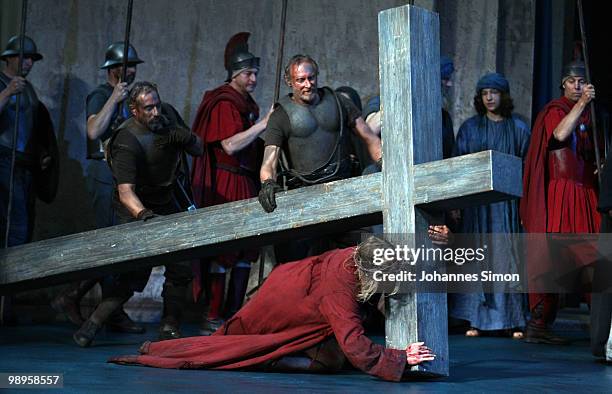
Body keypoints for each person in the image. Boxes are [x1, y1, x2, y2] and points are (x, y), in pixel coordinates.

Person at [109, 236, 435, 382]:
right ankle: (270, 357)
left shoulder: (360, 252)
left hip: (296, 283)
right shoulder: (343, 287)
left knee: (332, 358)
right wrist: (399, 358)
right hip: (285, 303)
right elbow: (353, 343)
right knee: (237, 348)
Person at [72, 82, 203, 346]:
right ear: (134, 110)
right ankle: (92, 324)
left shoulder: (167, 115)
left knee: (181, 266)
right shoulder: (127, 140)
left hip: (167, 198)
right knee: (134, 272)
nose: (155, 112)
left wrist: (184, 136)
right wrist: (144, 216)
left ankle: (170, 324)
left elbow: (199, 148)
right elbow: (125, 192)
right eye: (148, 108)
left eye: (157, 104)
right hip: (135, 206)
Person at [51, 42, 144, 334]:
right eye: (126, 66)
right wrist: (114, 99)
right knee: (109, 244)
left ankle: (87, 299)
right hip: (103, 173)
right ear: (113, 69)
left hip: (124, 174)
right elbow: (93, 130)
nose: (131, 71)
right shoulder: (101, 95)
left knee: (123, 245)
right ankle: (88, 301)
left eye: (133, 66)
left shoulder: (130, 100)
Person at [190, 32, 272, 335]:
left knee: (246, 250)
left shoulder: (244, 101)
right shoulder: (223, 101)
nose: (253, 79)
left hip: (244, 181)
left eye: (255, 74)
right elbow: (230, 145)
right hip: (225, 184)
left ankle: (236, 313)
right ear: (235, 73)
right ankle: (213, 314)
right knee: (224, 250)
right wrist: (264, 123)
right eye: (249, 74)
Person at [520, 60, 600, 344]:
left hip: (586, 192)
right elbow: (560, 135)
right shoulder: (556, 110)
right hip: (561, 194)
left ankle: (603, 326)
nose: (577, 86)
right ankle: (538, 324)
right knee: (554, 258)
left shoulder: (592, 116)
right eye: (572, 81)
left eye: (582, 81)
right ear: (563, 84)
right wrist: (582, 105)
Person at [445, 73, 530, 338]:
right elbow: (459, 166)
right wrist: (457, 203)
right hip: (477, 207)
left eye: (494, 92)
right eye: (485, 93)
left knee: (507, 257)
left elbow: (526, 168)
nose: (489, 97)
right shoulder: (470, 128)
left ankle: (513, 320)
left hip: (506, 207)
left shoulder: (518, 127)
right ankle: (476, 320)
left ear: (503, 95)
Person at [258, 54, 381, 212]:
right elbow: (269, 161)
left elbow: (370, 138)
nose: (308, 84)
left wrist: (383, 162)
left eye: (311, 78)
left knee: (362, 235)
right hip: (304, 194)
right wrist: (268, 183)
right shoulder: (280, 115)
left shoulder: (339, 102)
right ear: (289, 82)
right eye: (301, 80)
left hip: (343, 186)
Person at [0, 35, 58, 324]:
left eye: (31, 59)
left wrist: (41, 155)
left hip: (23, 168)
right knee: (6, 229)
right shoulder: (5, 85)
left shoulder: (30, 89)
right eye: (24, 58)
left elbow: (34, 129)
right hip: (2, 163)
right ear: (9, 58)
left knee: (19, 233)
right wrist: (7, 93)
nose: (28, 63)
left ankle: (8, 301)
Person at [362, 55, 456, 164]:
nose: (450, 84)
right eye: (445, 79)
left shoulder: (443, 117)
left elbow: (448, 156)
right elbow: (368, 131)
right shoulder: (380, 102)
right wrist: (403, 100)